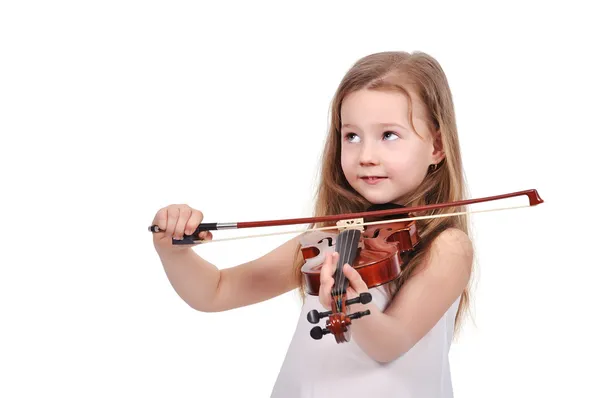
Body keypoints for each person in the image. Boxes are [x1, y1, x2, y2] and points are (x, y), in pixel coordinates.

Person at [151, 51, 474, 397]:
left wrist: (353, 305)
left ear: (437, 146)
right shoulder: (329, 240)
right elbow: (216, 291)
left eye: (389, 136)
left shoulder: (446, 246)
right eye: (352, 136)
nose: (366, 155)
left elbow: (390, 342)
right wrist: (174, 253)